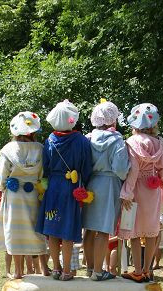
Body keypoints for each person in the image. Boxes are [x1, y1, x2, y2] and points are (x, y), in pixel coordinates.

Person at [36, 100, 93, 281]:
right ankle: (67, 270)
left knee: (52, 228)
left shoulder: (49, 141)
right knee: (67, 229)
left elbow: (45, 167)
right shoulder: (81, 140)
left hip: (53, 187)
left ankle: (56, 269)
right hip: (71, 187)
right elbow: (87, 168)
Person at [120, 103, 163, 283]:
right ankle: (148, 270)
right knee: (150, 231)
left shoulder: (132, 142)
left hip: (135, 188)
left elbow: (132, 170)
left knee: (133, 230)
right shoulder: (160, 144)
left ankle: (138, 270)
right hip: (153, 188)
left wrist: (126, 193)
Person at [0, 112, 49, 278]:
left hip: (14, 196)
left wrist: (4, 186)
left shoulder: (8, 150)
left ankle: (18, 271)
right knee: (36, 230)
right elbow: (44, 173)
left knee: (15, 231)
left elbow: (0, 176)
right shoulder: (41, 148)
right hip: (33, 193)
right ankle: (44, 268)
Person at [83, 100, 129, 281]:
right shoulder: (117, 140)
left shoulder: (88, 138)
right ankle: (98, 272)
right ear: (113, 119)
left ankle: (88, 268)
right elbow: (120, 168)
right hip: (109, 184)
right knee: (103, 230)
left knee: (88, 228)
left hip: (91, 184)